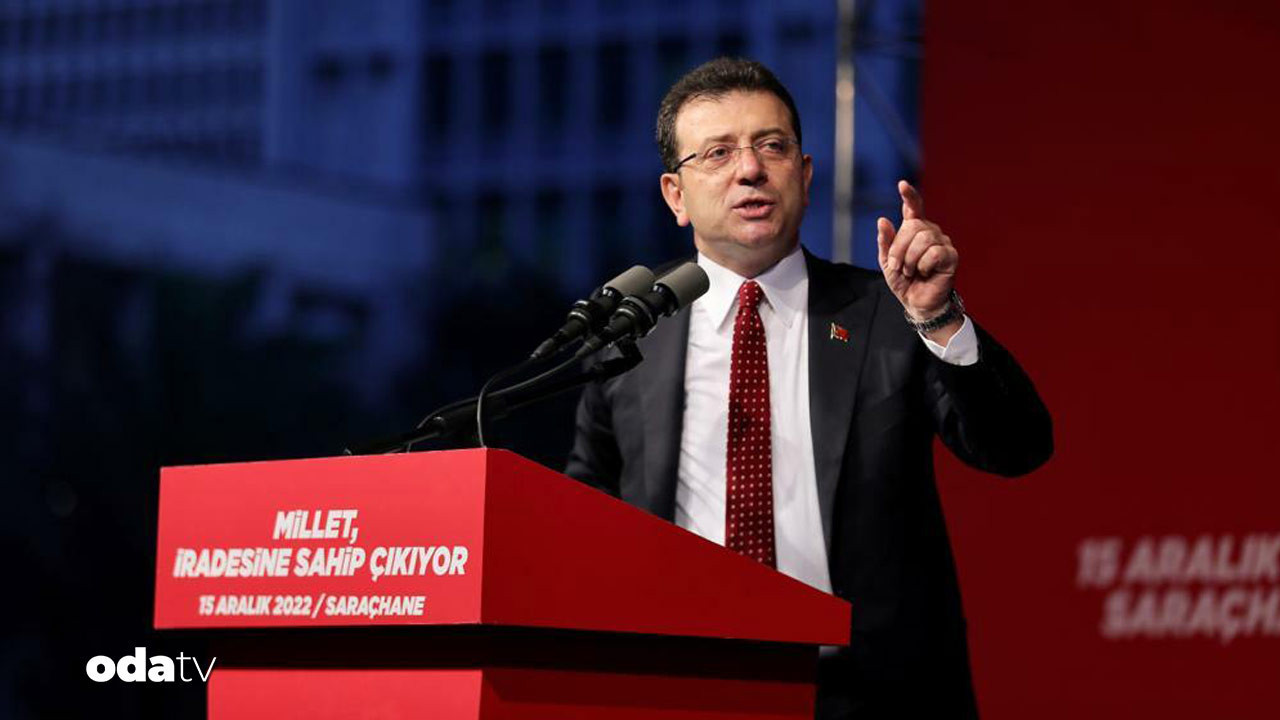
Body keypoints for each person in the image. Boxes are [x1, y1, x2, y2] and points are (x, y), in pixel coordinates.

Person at [565, 57, 1052, 719]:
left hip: (867, 695)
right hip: (683, 690)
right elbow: (585, 515)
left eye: (772, 146)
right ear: (675, 196)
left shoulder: (887, 314)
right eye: (718, 153)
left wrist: (938, 316)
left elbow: (1016, 445)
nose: (750, 169)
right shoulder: (633, 337)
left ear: (806, 173)